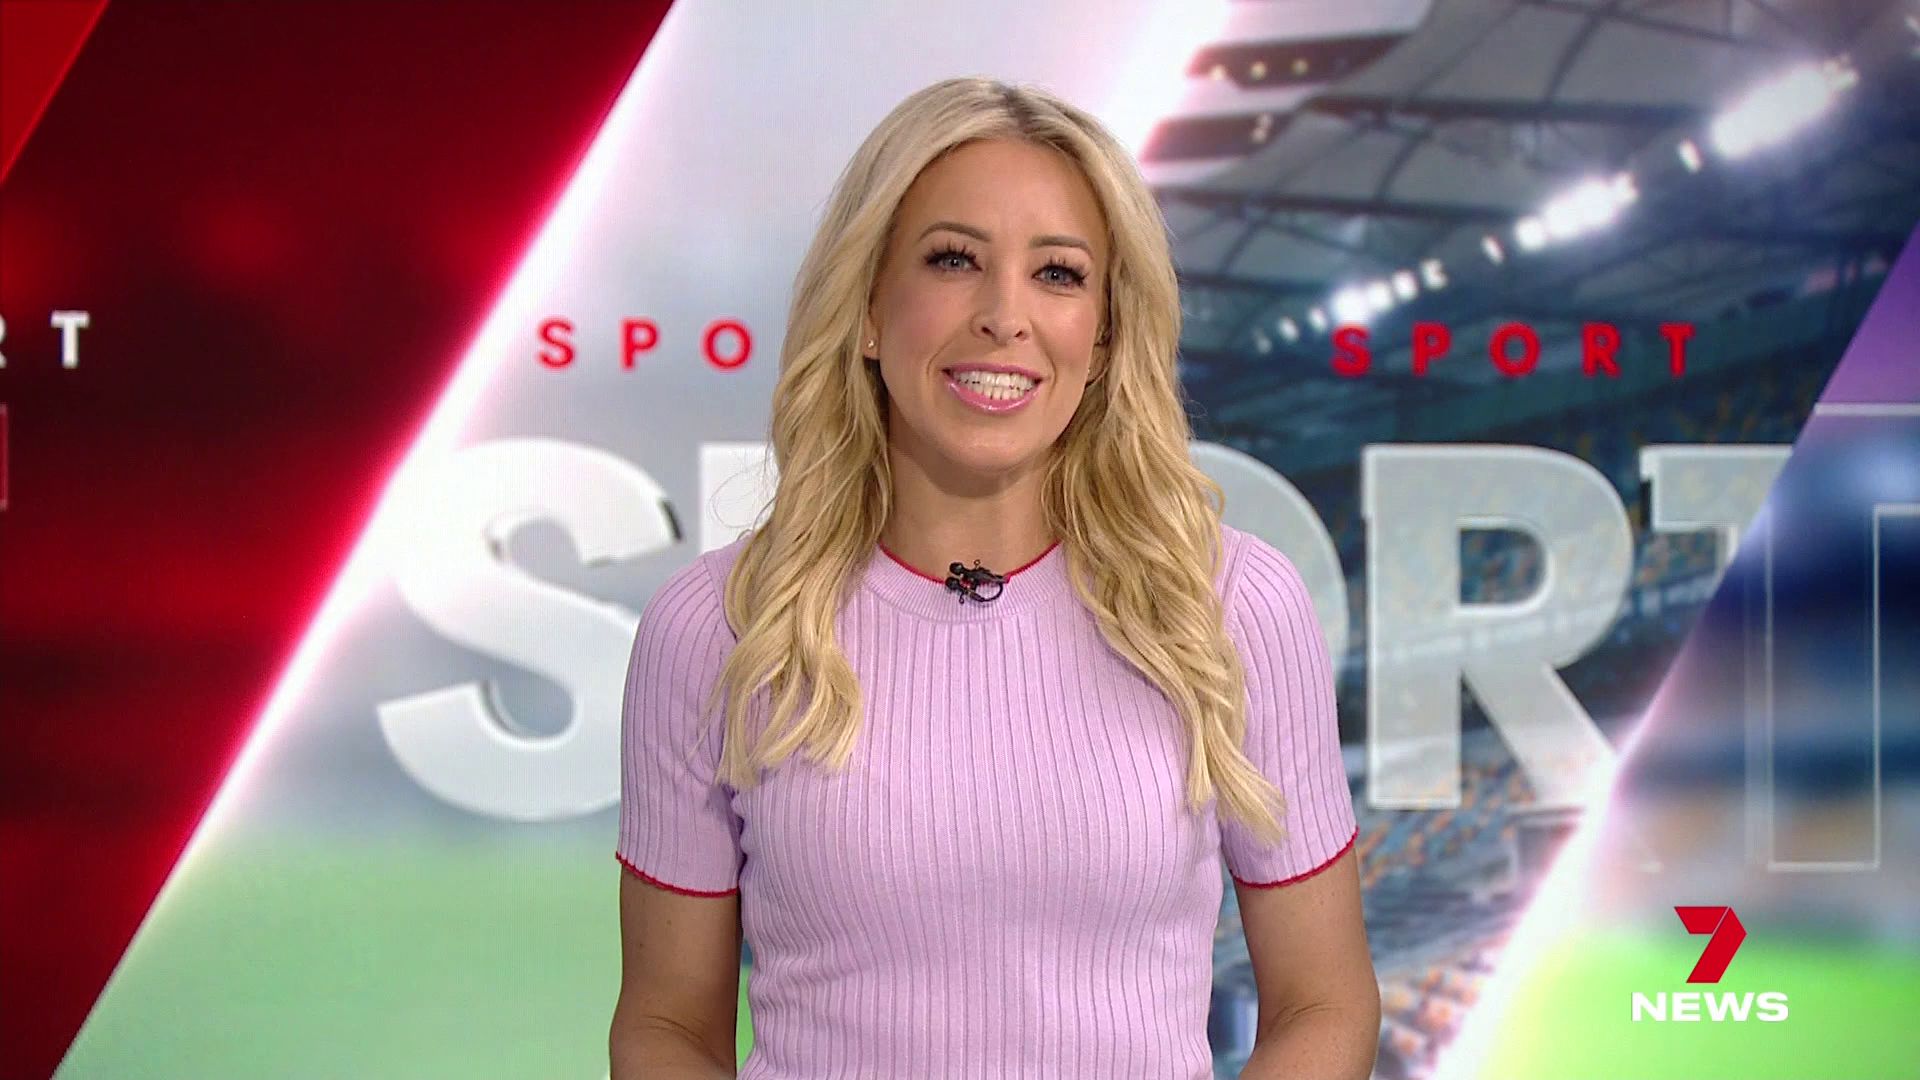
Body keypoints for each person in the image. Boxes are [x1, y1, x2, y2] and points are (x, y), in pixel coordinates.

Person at [608, 76, 1378, 1079]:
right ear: (868, 309)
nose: (1004, 316)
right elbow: (665, 1025)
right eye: (953, 260)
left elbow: (1325, 1005)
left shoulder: (1234, 607)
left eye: (1058, 273)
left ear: (1104, 336)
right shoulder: (717, 628)